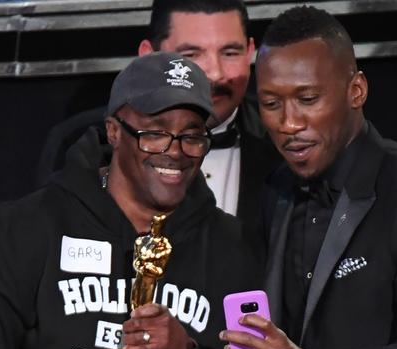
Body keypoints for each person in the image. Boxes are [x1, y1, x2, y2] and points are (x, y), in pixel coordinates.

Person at [0, 52, 259, 349]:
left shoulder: (235, 250)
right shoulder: (18, 231)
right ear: (114, 132)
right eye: (156, 133)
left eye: (192, 135)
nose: (175, 152)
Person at [219, 6, 397, 349]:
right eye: (271, 103)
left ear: (356, 91)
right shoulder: (275, 189)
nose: (289, 123)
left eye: (308, 99)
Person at [37, 0, 281, 233]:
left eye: (230, 53)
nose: (215, 74)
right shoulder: (82, 143)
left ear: (251, 52)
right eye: (191, 55)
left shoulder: (282, 143)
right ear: (149, 55)